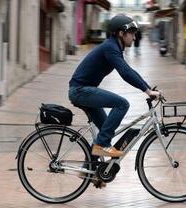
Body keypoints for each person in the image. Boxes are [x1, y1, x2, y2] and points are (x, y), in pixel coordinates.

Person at [68, 15, 160, 158]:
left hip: (83, 91)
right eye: (132, 34)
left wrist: (148, 88)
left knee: (106, 128)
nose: (134, 38)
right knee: (122, 104)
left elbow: (128, 70)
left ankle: (92, 172)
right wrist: (147, 91)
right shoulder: (110, 47)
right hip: (80, 91)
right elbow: (125, 73)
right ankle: (102, 146)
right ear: (121, 33)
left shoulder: (113, 47)